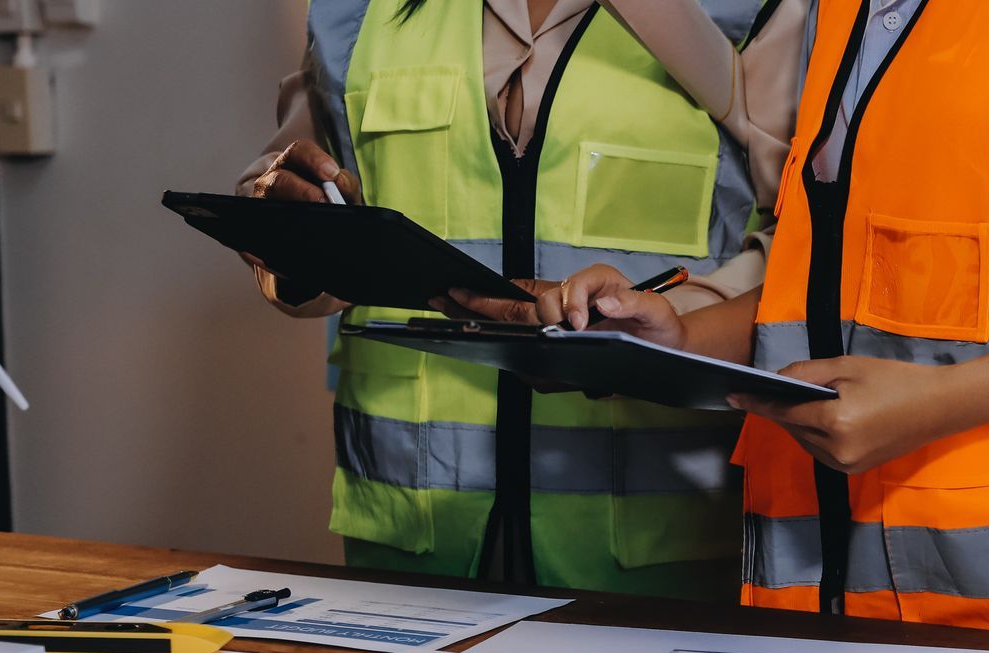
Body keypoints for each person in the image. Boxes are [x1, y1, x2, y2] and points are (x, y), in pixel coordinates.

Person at [454, 0, 989, 642]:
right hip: (850, 619)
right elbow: (845, 290)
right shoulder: (855, 12)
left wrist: (936, 404)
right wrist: (677, 336)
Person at [238, 0, 808, 600]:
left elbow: (814, 253)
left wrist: (676, 326)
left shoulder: (757, 9)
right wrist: (284, 231)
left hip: (669, 556)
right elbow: (306, 204)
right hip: (407, 548)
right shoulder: (353, 11)